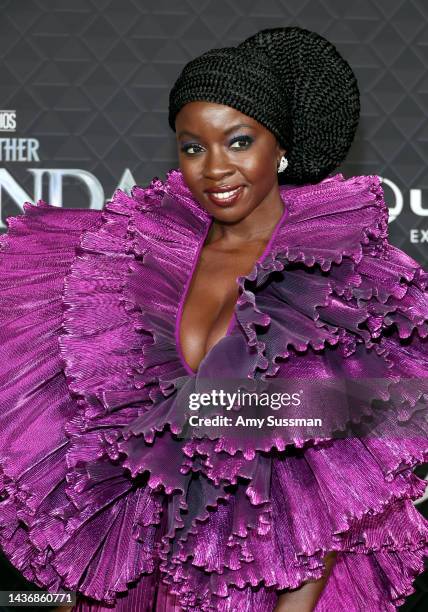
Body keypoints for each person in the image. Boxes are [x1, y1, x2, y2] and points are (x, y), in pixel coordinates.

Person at [1, 25, 428, 612]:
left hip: (253, 585)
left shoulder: (337, 275)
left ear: (280, 147)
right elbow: (91, 460)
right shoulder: (129, 262)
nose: (215, 168)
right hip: (131, 584)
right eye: (193, 146)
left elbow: (332, 485)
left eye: (239, 141)